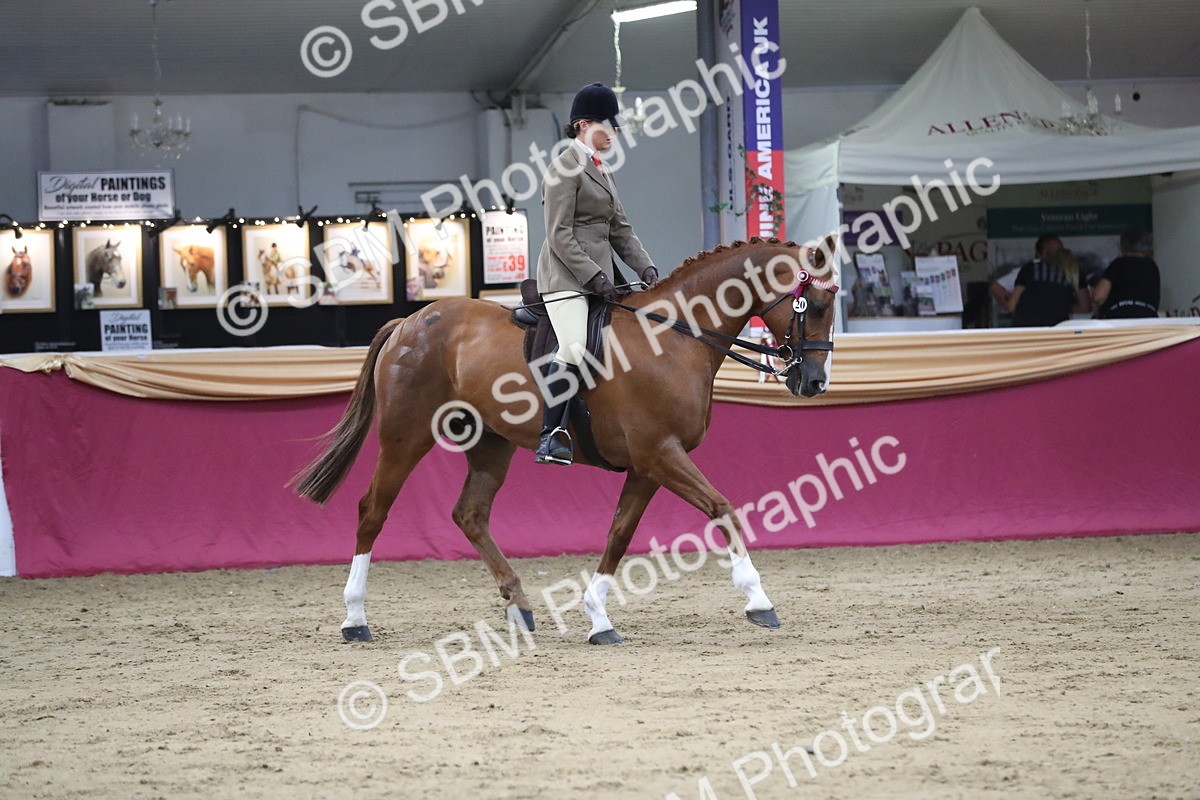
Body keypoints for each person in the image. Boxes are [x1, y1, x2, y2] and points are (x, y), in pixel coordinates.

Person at [533, 82, 658, 466]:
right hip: (565, 278)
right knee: (574, 346)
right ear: (584, 124)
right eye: (609, 125)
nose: (615, 132)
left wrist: (646, 266)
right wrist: (592, 275)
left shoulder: (602, 171)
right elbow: (558, 233)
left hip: (600, 279)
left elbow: (620, 229)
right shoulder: (562, 168)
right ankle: (550, 434)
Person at [1006, 248, 1090, 327]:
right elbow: (1084, 306)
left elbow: (1011, 306)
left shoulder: (1032, 268)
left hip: (1025, 328)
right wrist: (1065, 304)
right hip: (1056, 328)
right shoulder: (1074, 275)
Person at [1092, 227, 1160, 319]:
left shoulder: (1119, 263)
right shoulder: (1152, 266)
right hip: (1148, 319)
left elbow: (1098, 296)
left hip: (1120, 318)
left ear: (1123, 246)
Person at [991, 234, 1062, 313]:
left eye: (1059, 252)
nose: (1056, 256)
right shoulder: (1027, 271)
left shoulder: (1064, 272)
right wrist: (1011, 303)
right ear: (1040, 254)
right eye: (1050, 252)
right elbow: (996, 288)